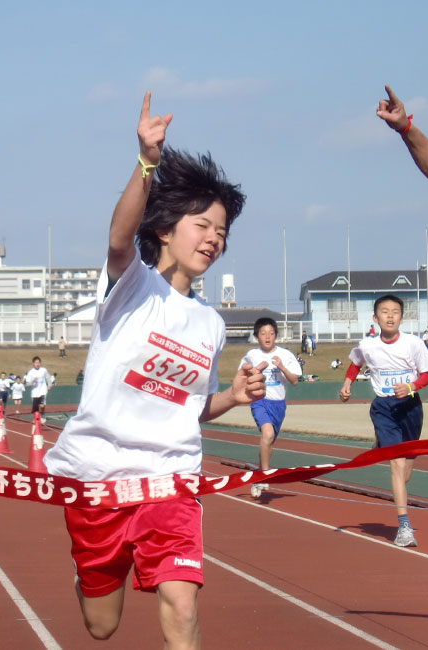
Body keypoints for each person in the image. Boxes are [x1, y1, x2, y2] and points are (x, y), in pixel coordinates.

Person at [43, 92, 266, 648]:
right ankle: (93, 576)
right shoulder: (132, 286)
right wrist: (146, 162)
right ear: (165, 228)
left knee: (182, 597)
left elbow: (189, 409)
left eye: (222, 232)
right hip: (98, 476)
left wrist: (233, 398)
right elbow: (118, 237)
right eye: (203, 225)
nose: (214, 238)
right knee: (102, 626)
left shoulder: (210, 325)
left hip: (170, 479)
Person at [339, 294, 428, 547]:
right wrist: (347, 384)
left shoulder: (413, 344)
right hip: (383, 407)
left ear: (401, 318)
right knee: (396, 465)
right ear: (375, 318)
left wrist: (411, 386)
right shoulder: (368, 345)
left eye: (395, 312)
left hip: (410, 407)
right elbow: (355, 362)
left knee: (405, 472)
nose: (390, 316)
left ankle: (382, 444)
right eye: (384, 311)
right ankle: (404, 527)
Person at [241, 318, 301, 498]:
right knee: (266, 434)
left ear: (276, 335)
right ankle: (265, 474)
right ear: (257, 337)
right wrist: (249, 371)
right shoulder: (252, 354)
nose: (267, 337)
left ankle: (259, 475)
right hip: (260, 401)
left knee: (269, 442)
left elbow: (295, 380)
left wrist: (281, 366)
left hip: (279, 404)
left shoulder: (286, 354)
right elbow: (242, 373)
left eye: (271, 333)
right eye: (263, 333)